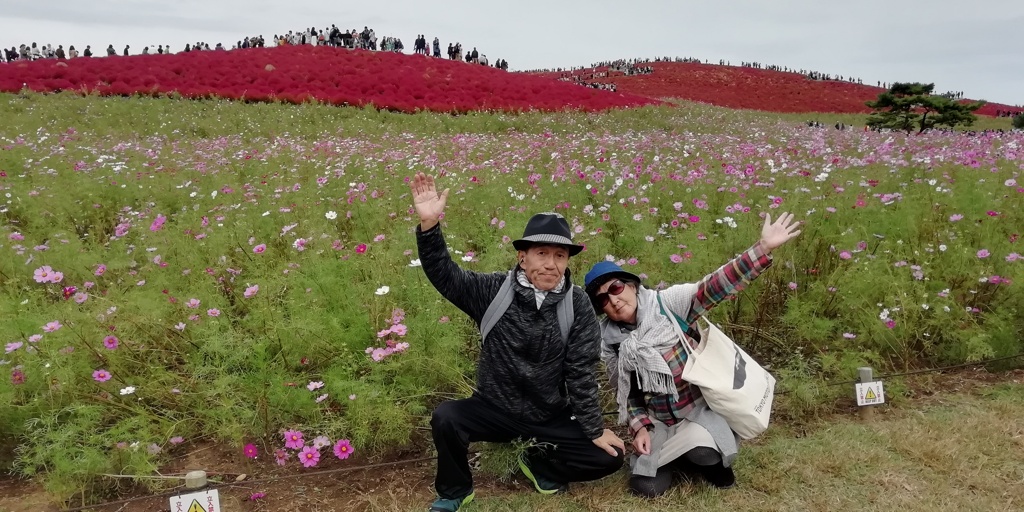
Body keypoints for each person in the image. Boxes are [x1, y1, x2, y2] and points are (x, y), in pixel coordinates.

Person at [410, 173, 625, 512]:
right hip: (494, 409)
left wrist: (594, 429)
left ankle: (538, 463)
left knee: (609, 458)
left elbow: (580, 372)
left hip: (549, 415)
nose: (551, 263)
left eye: (560, 255)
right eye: (541, 253)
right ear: (522, 257)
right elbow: (444, 275)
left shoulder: (578, 304)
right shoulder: (493, 290)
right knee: (447, 417)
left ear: (568, 260)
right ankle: (455, 491)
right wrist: (429, 226)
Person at [584, 212, 802, 498]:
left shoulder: (668, 305)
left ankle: (702, 456)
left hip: (699, 411)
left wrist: (762, 249)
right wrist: (640, 429)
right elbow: (628, 396)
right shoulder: (611, 342)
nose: (612, 299)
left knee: (704, 454)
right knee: (645, 488)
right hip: (660, 421)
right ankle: (672, 457)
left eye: (615, 288)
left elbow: (714, 286)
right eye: (602, 299)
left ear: (632, 285)